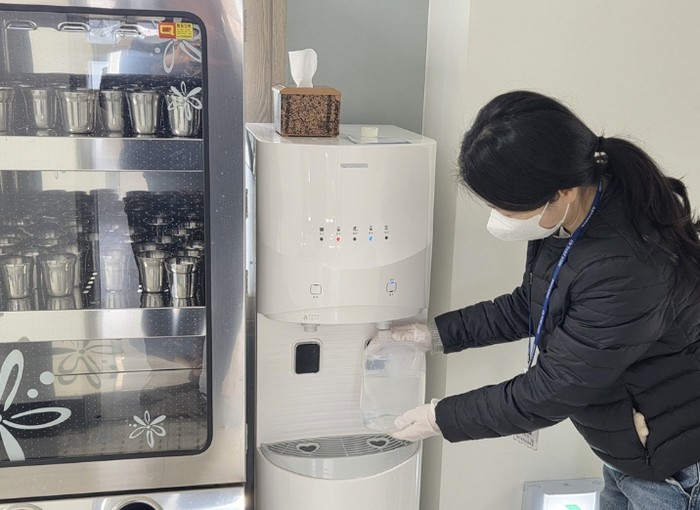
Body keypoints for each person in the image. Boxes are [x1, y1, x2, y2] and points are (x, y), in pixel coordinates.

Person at [385, 90, 700, 509]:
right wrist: (436, 335)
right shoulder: (574, 218)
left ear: (562, 192)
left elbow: (553, 389)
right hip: (630, 448)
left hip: (673, 467)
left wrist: (440, 417)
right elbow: (531, 304)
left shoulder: (626, 265)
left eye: (506, 207)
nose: (498, 219)